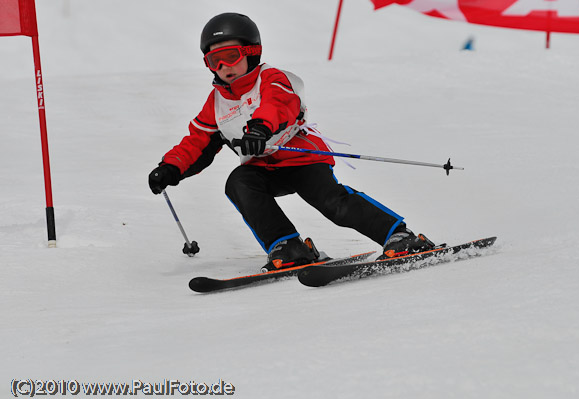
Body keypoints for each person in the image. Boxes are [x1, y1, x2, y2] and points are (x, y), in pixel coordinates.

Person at [148, 12, 434, 271]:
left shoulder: (271, 78)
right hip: (264, 169)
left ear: (251, 52)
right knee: (238, 182)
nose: (223, 66)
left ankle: (400, 236)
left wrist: (259, 129)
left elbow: (278, 105)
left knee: (332, 203)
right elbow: (197, 142)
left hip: (302, 159)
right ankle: (287, 246)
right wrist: (171, 168)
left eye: (231, 56)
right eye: (214, 61)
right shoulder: (216, 103)